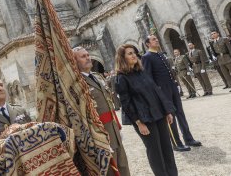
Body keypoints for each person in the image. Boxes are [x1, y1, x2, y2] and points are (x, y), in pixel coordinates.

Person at [115, 44, 177, 176]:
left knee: (167, 148)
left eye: (135, 53)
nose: (134, 56)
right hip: (143, 119)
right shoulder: (121, 78)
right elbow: (126, 104)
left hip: (158, 114)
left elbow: (156, 92)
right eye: (130, 53)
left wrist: (167, 111)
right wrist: (138, 122)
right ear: (122, 58)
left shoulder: (142, 72)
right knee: (155, 152)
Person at [73, 46, 130, 176]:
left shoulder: (97, 77)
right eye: (83, 56)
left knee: (123, 165)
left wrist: (118, 127)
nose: (88, 58)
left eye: (88, 55)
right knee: (110, 169)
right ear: (75, 61)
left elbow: (109, 104)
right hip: (100, 134)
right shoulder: (77, 83)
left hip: (113, 129)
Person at [141, 35, 201, 151]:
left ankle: (188, 138)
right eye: (153, 39)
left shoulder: (161, 54)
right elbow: (148, 78)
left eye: (156, 38)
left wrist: (176, 85)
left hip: (172, 87)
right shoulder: (147, 57)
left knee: (180, 113)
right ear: (148, 44)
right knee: (170, 116)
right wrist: (157, 93)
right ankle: (176, 143)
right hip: (162, 91)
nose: (157, 40)